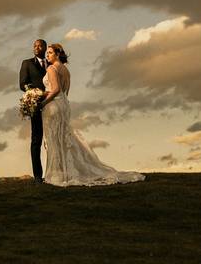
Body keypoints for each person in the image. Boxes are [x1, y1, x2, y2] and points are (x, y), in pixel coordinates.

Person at [41, 43, 145, 187]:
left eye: (50, 52)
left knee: (54, 139)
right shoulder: (66, 70)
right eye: (47, 53)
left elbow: (56, 89)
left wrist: (42, 101)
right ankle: (64, 171)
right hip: (64, 105)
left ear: (58, 54)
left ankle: (57, 174)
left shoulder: (52, 68)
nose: (47, 55)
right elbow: (65, 92)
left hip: (53, 106)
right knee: (63, 137)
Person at [18, 39, 48, 183]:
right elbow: (22, 84)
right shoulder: (27, 63)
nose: (36, 47)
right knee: (36, 140)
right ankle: (37, 176)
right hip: (36, 106)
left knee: (53, 138)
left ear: (45, 48)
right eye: (34, 46)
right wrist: (33, 93)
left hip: (52, 105)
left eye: (39, 45)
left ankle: (54, 172)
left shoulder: (52, 64)